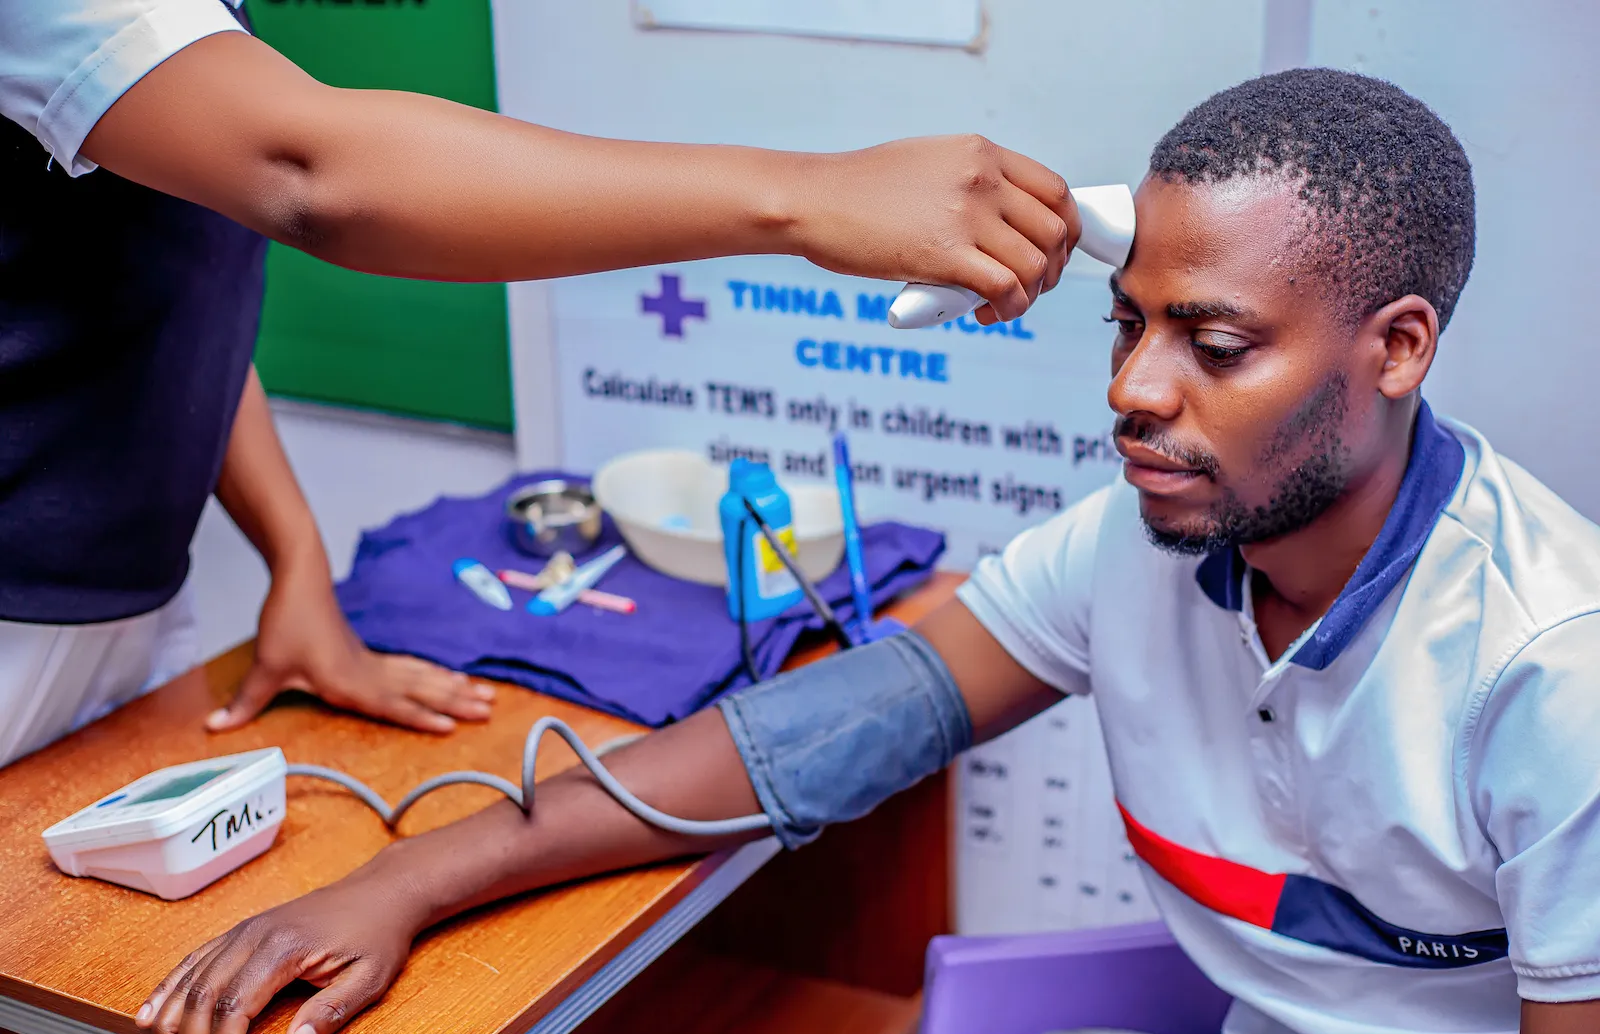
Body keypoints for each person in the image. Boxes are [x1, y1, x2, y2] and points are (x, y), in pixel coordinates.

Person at [137, 67, 1600, 1034]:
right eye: (1125, 324)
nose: (1135, 393)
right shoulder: (1134, 547)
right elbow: (842, 725)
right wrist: (412, 875)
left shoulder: (1549, 667)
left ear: (1397, 347)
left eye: (1213, 346)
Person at [0, 1, 1079, 766]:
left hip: (124, 590)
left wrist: (296, 556)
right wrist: (803, 196)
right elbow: (306, 174)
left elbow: (143, 283)